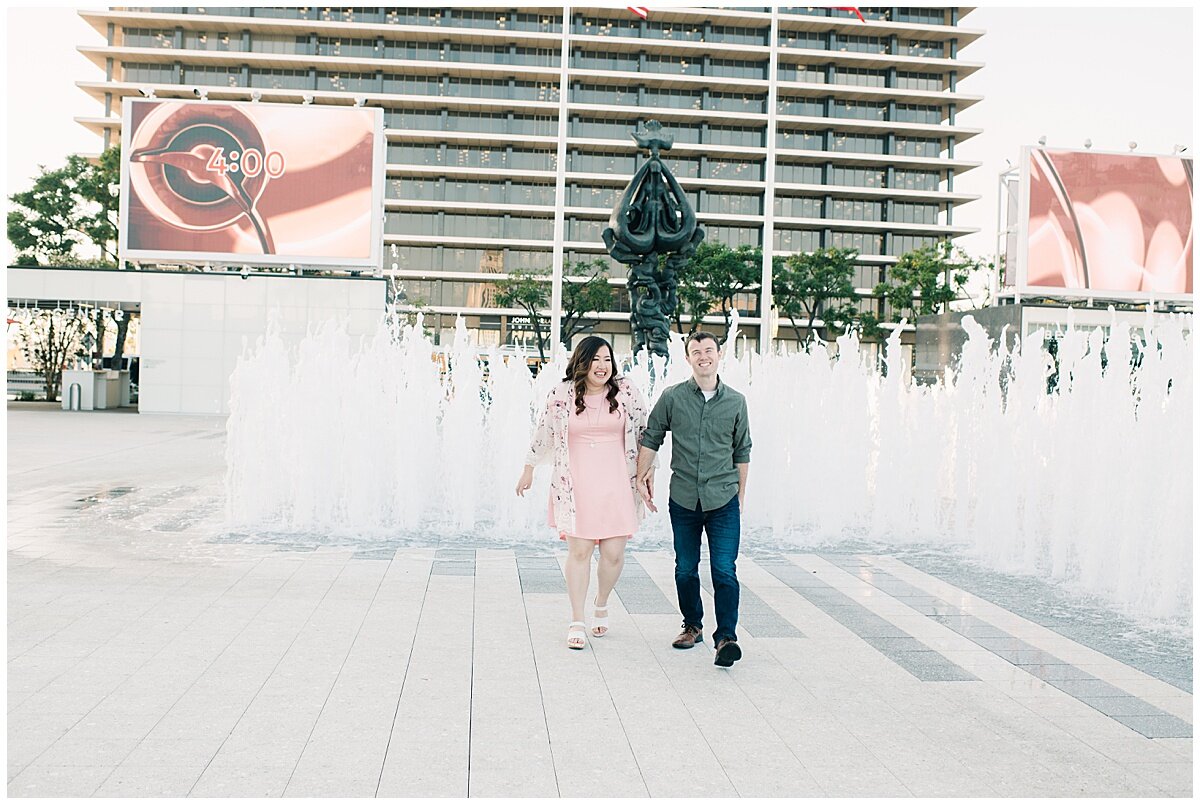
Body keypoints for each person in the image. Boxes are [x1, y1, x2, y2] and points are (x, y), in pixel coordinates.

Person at [517, 336, 653, 650]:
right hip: (575, 485)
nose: (602, 366)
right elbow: (545, 432)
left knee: (613, 554)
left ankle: (601, 602)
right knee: (579, 553)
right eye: (595, 360)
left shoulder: (626, 391)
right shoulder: (561, 394)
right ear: (582, 362)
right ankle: (577, 618)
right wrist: (529, 467)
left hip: (617, 483)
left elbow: (646, 433)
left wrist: (648, 473)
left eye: (607, 359)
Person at [636, 331, 751, 668]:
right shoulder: (672, 397)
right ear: (688, 358)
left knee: (723, 571)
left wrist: (740, 497)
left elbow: (742, 449)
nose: (703, 356)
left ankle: (726, 637)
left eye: (709, 350)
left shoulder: (736, 401)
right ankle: (692, 626)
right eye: (696, 351)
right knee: (685, 569)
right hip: (684, 498)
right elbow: (652, 434)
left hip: (723, 499)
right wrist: (642, 477)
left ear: (719, 355)